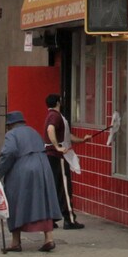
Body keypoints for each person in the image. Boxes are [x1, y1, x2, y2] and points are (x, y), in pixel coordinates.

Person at [0, 109, 64, 252]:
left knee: (15, 200)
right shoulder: (33, 131)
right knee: (43, 199)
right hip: (43, 166)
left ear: (9, 125)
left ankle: (15, 242)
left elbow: (9, 152)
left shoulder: (11, 134)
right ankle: (49, 238)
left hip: (23, 168)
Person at [44, 93, 83, 230]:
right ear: (58, 102)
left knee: (55, 187)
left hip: (52, 156)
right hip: (58, 157)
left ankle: (51, 219)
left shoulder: (53, 116)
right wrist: (57, 147)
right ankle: (69, 219)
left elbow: (67, 136)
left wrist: (82, 140)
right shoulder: (55, 116)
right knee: (65, 188)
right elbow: (50, 129)